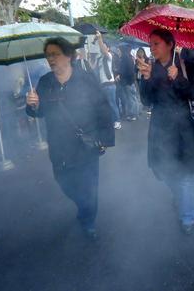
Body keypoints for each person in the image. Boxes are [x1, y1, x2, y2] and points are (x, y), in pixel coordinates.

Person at [26, 37, 114, 239]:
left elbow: (103, 108)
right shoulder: (45, 82)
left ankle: (88, 220)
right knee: (65, 183)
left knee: (89, 187)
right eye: (48, 55)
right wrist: (33, 105)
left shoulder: (86, 78)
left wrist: (105, 138)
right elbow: (37, 113)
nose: (51, 58)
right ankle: (84, 206)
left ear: (68, 56)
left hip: (86, 144)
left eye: (55, 54)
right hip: (59, 146)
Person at [137, 29, 194, 235]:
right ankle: (179, 197)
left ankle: (188, 219)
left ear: (170, 44)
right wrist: (146, 79)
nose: (152, 48)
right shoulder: (150, 68)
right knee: (166, 172)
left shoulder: (186, 66)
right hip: (160, 129)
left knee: (185, 175)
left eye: (156, 43)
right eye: (150, 44)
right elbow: (146, 101)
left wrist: (178, 78)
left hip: (184, 128)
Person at [95, 31, 122, 130]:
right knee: (107, 105)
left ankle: (117, 121)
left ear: (108, 48)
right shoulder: (100, 58)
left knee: (112, 104)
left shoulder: (109, 56)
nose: (102, 48)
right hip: (102, 85)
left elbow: (103, 50)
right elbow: (94, 68)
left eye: (104, 46)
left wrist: (99, 39)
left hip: (110, 85)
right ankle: (112, 120)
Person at [117, 44, 140, 121]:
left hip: (128, 81)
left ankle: (133, 114)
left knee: (131, 98)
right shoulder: (129, 57)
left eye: (119, 50)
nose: (118, 52)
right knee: (132, 98)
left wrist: (119, 74)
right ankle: (134, 113)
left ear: (122, 50)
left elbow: (124, 70)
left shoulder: (124, 58)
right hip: (130, 81)